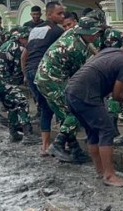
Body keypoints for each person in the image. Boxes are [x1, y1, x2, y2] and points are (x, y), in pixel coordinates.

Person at [66, 30, 123, 187]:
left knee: (93, 131)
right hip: (86, 94)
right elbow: (118, 95)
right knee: (107, 130)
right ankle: (110, 176)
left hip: (71, 92)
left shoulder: (111, 51)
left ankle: (100, 171)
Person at [36, 16, 98, 164]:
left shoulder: (73, 33)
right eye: (94, 33)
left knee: (65, 115)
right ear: (86, 32)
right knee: (76, 111)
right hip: (52, 80)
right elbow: (78, 76)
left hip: (45, 77)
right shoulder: (76, 48)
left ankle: (75, 149)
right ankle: (57, 144)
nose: (96, 36)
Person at [22, 2, 67, 155]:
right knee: (63, 107)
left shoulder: (35, 30)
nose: (62, 16)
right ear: (49, 15)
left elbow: (24, 55)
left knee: (45, 108)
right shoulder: (57, 31)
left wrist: (25, 74)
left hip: (30, 71)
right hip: (45, 72)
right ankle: (63, 144)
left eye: (63, 13)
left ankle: (45, 146)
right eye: (59, 13)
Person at [0, 27, 33, 143]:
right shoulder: (17, 48)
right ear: (22, 38)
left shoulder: (8, 44)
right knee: (22, 102)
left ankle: (14, 133)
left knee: (12, 105)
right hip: (2, 80)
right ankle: (28, 134)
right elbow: (17, 69)